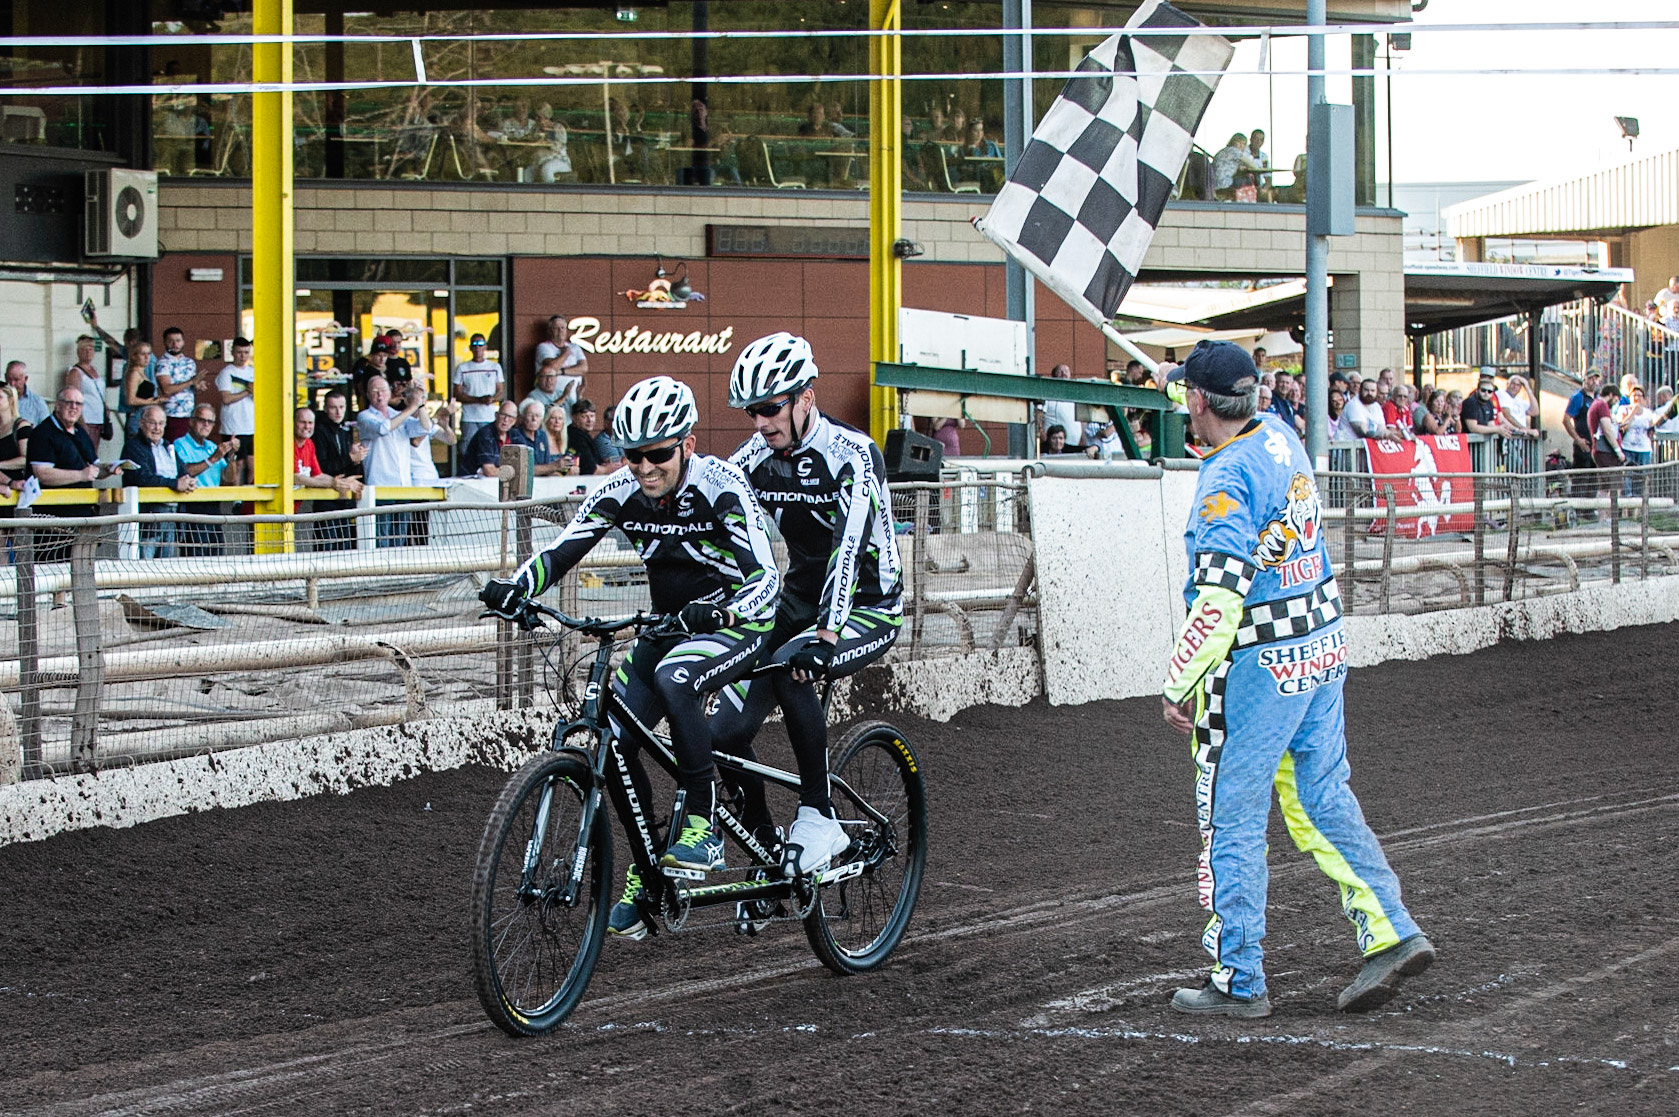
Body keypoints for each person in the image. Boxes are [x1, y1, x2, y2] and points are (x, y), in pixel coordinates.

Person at [1160, 340, 1433, 1018]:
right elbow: (1201, 399)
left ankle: (1238, 978)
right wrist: (1179, 386)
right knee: (1319, 795)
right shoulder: (1278, 431)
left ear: (1199, 402)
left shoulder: (1223, 479)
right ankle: (1390, 927)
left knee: (1231, 814)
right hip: (1318, 645)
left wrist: (1177, 682)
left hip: (1257, 660)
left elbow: (1218, 601)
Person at [481, 376, 781, 940]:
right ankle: (647, 870)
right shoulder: (619, 490)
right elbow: (562, 548)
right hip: (667, 628)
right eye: (633, 455)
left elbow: (767, 579)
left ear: (687, 444)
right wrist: (516, 587)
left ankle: (700, 814)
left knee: (677, 676)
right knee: (612, 741)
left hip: (739, 623)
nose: (644, 468)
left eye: (657, 455)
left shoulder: (723, 487)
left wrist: (722, 613)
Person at [711, 332, 906, 881]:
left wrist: (824, 635)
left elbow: (847, 551)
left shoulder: (853, 453)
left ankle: (818, 815)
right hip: (796, 599)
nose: (760, 423)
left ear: (806, 398)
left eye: (771, 409)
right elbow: (714, 519)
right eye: (752, 412)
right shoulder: (754, 459)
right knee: (724, 733)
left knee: (795, 665)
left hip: (867, 602)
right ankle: (769, 855)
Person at [356, 375, 429, 546]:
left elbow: (425, 428)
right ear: (367, 395)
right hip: (380, 488)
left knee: (399, 543)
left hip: (403, 488)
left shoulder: (399, 415)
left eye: (383, 391)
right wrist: (411, 407)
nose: (379, 395)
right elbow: (383, 428)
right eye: (374, 392)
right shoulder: (365, 416)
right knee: (382, 543)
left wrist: (420, 403)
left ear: (389, 393)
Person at [123, 404, 196, 558]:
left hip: (171, 516)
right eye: (152, 423)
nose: (157, 428)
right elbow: (143, 478)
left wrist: (188, 480)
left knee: (165, 571)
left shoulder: (168, 446)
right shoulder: (133, 447)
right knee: (145, 570)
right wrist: (175, 484)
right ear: (141, 423)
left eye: (161, 423)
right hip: (148, 519)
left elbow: (183, 471)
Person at [215, 337, 256, 487]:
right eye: (239, 352)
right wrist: (247, 391)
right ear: (232, 352)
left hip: (252, 425)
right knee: (236, 465)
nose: (242, 356)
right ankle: (236, 502)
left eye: (246, 352)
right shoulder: (226, 373)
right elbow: (226, 398)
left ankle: (250, 500)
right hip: (233, 426)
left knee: (253, 465)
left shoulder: (253, 372)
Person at [453, 333, 504, 447]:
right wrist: (478, 400)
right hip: (469, 417)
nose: (477, 347)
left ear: (485, 347)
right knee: (467, 448)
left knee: (489, 447)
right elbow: (456, 393)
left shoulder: (495, 367)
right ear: (470, 347)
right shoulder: (462, 368)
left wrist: (492, 399)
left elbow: (501, 392)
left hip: (489, 417)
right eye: (474, 344)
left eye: (480, 344)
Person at [154, 326, 203, 443]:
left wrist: (198, 386)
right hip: (172, 415)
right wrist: (191, 382)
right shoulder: (163, 363)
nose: (174, 344)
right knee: (175, 448)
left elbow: (193, 390)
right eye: (170, 341)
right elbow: (166, 389)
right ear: (165, 342)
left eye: (178, 340)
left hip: (190, 414)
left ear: (183, 342)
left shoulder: (190, 362)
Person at [64, 336, 107, 451]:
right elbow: (73, 398)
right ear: (78, 352)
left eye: (91, 349)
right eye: (84, 350)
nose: (88, 353)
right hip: (87, 419)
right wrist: (81, 421)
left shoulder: (95, 370)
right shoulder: (75, 372)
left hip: (98, 419)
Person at [509, 400, 567, 477]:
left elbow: (547, 466)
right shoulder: (515, 435)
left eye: (537, 416)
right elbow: (524, 469)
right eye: (530, 415)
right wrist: (555, 466)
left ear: (541, 419)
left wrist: (562, 474)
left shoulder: (542, 435)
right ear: (522, 417)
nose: (534, 419)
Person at [463, 400, 518, 478]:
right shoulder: (486, 434)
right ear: (496, 415)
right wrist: (516, 472)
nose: (506, 420)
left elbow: (526, 466)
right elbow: (489, 471)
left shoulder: (516, 435)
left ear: (514, 421)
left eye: (510, 417)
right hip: (470, 481)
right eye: (503, 415)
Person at [534, 314, 589, 387]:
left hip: (573, 395)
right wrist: (565, 353)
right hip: (549, 396)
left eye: (563, 328)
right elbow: (551, 367)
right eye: (556, 328)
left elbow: (583, 369)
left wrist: (560, 372)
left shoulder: (575, 347)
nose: (560, 331)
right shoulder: (544, 347)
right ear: (550, 331)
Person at [1040, 363, 1083, 449]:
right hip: (1054, 447)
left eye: (1066, 371)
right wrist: (1045, 440)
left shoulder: (1075, 395)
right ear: (1054, 376)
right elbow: (1038, 420)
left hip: (1074, 445)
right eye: (1060, 371)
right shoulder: (1047, 394)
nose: (1064, 373)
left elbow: (1082, 421)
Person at [120, 339, 157, 439]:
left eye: (149, 354)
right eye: (143, 354)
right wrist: (149, 402)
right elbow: (130, 400)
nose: (146, 357)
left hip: (146, 417)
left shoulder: (143, 373)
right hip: (137, 417)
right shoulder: (134, 373)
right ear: (134, 356)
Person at [1211, 132, 1263, 200]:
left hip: (1216, 182)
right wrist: (1258, 169)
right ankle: (1254, 200)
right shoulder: (1233, 150)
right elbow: (1251, 164)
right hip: (1224, 182)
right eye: (1239, 142)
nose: (1241, 146)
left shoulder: (1226, 151)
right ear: (1233, 142)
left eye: (1244, 144)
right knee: (1249, 180)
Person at [566, 398, 605, 475]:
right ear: (573, 418)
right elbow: (591, 469)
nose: (589, 420)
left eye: (592, 416)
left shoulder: (583, 434)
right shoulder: (576, 437)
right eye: (584, 416)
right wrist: (610, 468)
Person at [1459, 372, 1504, 438]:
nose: (1486, 393)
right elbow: (1473, 428)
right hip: (1468, 442)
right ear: (1477, 390)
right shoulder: (1470, 402)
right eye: (1483, 390)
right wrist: (1497, 429)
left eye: (1489, 391)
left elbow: (1491, 424)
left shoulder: (1489, 403)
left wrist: (1501, 430)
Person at [6, 361, 50, 427]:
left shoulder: (38, 403)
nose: (12, 384)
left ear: (25, 379)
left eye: (16, 380)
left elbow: (46, 431)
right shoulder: (1, 399)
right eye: (9, 379)